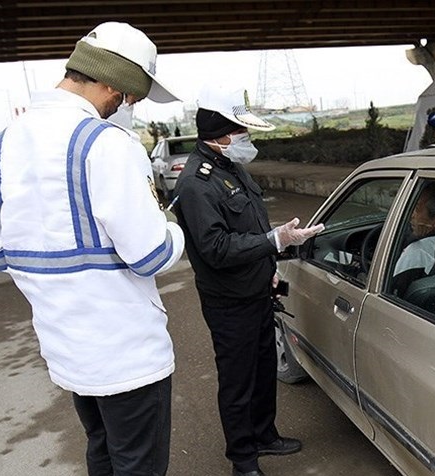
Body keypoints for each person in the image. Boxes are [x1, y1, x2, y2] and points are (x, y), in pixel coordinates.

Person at [0, 22, 184, 476]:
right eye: (129, 96)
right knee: (139, 465)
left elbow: (0, 256)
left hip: (68, 352)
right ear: (110, 79)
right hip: (129, 356)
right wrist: (172, 227)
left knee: (103, 453)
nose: (125, 107)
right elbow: (151, 255)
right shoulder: (107, 145)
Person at [173, 85, 324, 476]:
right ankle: (243, 459)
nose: (247, 140)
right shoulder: (197, 182)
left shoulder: (231, 167)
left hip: (257, 289)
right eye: (242, 134)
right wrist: (273, 240)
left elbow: (250, 226)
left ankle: (265, 435)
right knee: (238, 381)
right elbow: (217, 248)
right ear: (220, 136)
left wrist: (274, 253)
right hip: (229, 301)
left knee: (262, 368)